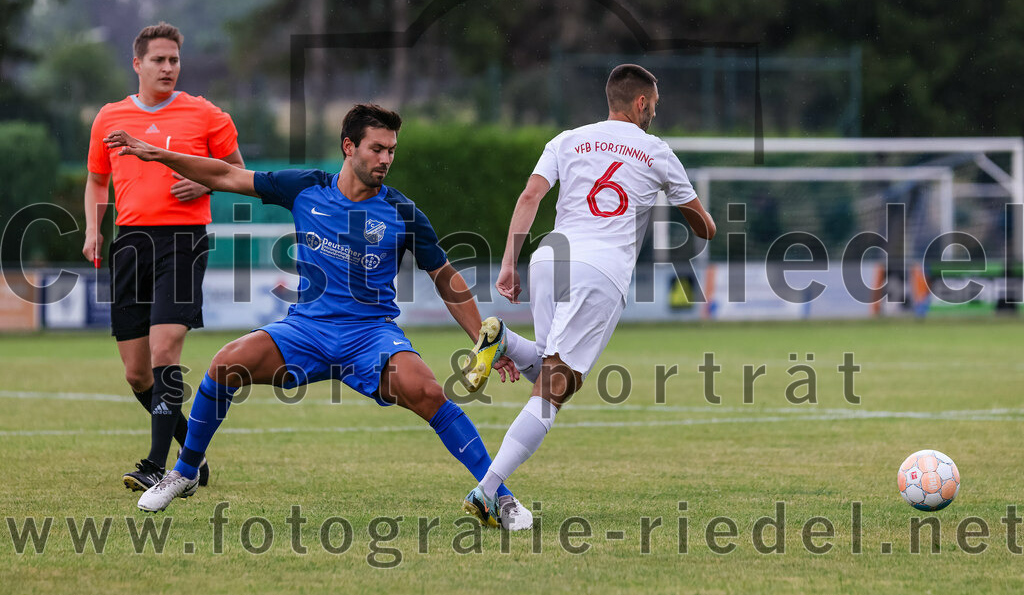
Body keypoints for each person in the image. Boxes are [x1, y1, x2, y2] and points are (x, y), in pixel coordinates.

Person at [104, 104, 537, 529]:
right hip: (305, 330)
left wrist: (483, 341)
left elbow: (446, 278)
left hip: (370, 335)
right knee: (225, 363)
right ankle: (185, 471)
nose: (386, 158)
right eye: (377, 148)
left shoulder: (404, 212)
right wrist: (157, 153)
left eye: (392, 150)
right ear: (349, 146)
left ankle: (498, 496)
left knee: (427, 391)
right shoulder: (304, 187)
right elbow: (224, 175)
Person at [464, 64, 717, 530]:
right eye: (654, 107)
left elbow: (528, 198)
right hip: (599, 272)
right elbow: (704, 225)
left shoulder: (567, 139)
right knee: (555, 388)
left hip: (548, 259)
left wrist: (507, 263)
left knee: (547, 365)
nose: (654, 114)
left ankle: (503, 343)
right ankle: (488, 489)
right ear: (641, 103)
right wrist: (691, 211)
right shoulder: (657, 151)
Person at [83, 22, 245, 492]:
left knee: (163, 351)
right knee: (136, 373)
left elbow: (237, 170)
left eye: (174, 59)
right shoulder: (109, 117)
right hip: (130, 244)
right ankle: (192, 452)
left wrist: (204, 181)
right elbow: (97, 179)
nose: (168, 67)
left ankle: (159, 467)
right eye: (159, 59)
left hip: (183, 240)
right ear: (137, 64)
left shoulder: (204, 114)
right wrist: (94, 229)